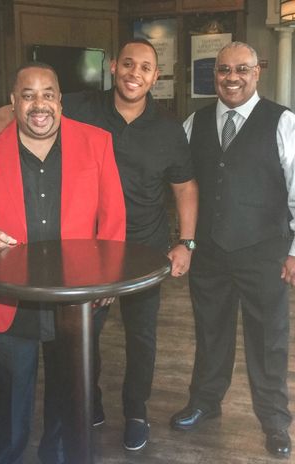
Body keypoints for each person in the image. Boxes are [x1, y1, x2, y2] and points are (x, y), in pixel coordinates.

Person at [0, 39, 198, 451]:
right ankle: (27, 443)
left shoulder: (144, 132)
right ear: (113, 67)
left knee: (106, 357)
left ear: (156, 77)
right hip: (24, 282)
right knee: (26, 378)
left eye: (145, 67)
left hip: (103, 269)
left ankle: (120, 420)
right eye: (128, 63)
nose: (40, 103)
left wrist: (180, 244)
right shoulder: (4, 138)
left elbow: (131, 207)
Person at [0, 62, 126, 464]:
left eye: (48, 94)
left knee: (68, 387)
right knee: (12, 385)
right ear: (13, 102)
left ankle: (58, 455)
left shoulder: (97, 142)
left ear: (60, 101)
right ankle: (7, 456)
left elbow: (113, 216)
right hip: (12, 292)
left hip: (76, 293)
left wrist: (107, 279)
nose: (39, 104)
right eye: (28, 95)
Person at [170, 41, 294, 459]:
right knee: (210, 332)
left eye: (242, 69)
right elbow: (183, 183)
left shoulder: (283, 122)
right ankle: (205, 402)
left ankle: (274, 421)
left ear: (257, 72)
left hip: (264, 252)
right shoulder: (195, 122)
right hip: (210, 252)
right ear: (215, 75)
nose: (232, 77)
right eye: (224, 70)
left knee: (268, 339)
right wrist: (185, 240)